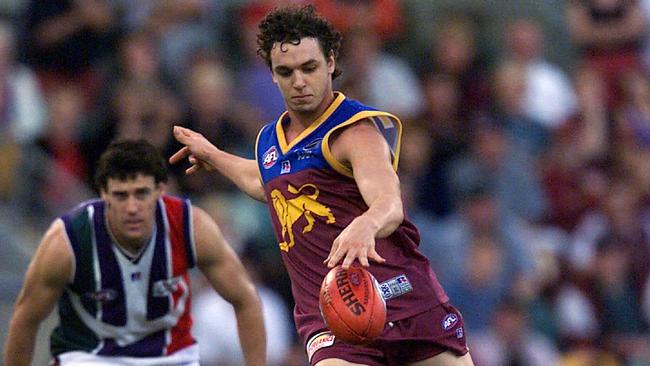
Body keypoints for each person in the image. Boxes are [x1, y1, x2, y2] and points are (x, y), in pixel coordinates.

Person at [170, 5, 474, 366]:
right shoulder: (270, 140)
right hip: (331, 317)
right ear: (272, 75)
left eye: (309, 68)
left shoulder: (355, 132)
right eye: (285, 71)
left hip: (404, 298)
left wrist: (366, 223)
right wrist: (214, 156)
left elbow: (390, 204)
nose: (298, 81)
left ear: (330, 62)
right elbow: (266, 183)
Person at [3, 139, 266, 366]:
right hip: (89, 357)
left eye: (141, 194)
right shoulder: (68, 241)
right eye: (121, 195)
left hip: (171, 357)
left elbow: (246, 300)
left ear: (160, 190)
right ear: (103, 193)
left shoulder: (191, 227)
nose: (132, 207)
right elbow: (25, 319)